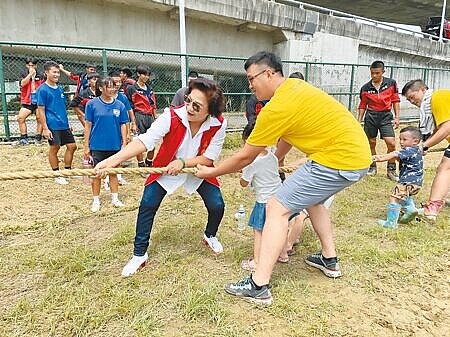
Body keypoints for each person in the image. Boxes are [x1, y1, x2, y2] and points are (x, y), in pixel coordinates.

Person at [195, 51, 371, 305]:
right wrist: (276, 158)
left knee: (276, 207)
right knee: (313, 200)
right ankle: (329, 260)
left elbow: (245, 158)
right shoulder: (295, 87)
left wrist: (211, 171)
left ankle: (259, 284)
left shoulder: (276, 108)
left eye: (251, 78)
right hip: (356, 157)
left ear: (268, 73)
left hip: (337, 160)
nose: (250, 85)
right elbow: (290, 132)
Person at [95, 77, 227, 277]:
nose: (189, 107)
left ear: (210, 111)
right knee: (147, 204)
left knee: (217, 204)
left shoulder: (219, 123)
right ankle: (139, 254)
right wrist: (113, 160)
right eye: (188, 100)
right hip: (166, 168)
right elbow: (145, 140)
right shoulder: (171, 116)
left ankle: (209, 235)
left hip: (195, 169)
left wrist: (183, 163)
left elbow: (210, 158)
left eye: (197, 106)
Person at [401, 79, 450, 221]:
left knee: (445, 168)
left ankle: (432, 209)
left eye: (412, 96)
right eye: (408, 100)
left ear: (423, 89)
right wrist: (425, 144)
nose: (411, 101)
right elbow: (438, 130)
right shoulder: (434, 106)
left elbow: (446, 128)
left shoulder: (438, 97)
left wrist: (424, 145)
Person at [238, 125, 282, 272]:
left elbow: (244, 183)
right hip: (280, 199)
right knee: (278, 228)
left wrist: (243, 173)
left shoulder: (252, 163)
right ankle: (282, 254)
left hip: (264, 202)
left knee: (259, 231)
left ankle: (256, 262)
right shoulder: (272, 156)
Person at [84, 77, 129, 212]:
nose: (112, 89)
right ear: (101, 88)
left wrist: (124, 143)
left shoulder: (119, 105)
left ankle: (115, 198)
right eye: (109, 86)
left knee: (113, 172)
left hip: (114, 145)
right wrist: (86, 145)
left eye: (113, 86)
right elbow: (88, 125)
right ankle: (96, 199)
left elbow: (123, 124)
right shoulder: (91, 104)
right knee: (97, 174)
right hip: (97, 145)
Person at [372, 126, 424, 228]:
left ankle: (391, 223)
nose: (401, 142)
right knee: (405, 196)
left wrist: (379, 158)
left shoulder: (408, 150)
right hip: (417, 183)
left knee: (394, 198)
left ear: (415, 141)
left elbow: (394, 153)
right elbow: (400, 159)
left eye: (404, 139)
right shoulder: (417, 150)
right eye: (400, 139)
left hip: (406, 181)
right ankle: (411, 210)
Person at [358, 60, 400, 181]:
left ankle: (391, 169)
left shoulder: (391, 84)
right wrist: (359, 121)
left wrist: (397, 117)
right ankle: (372, 166)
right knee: (371, 143)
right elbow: (362, 105)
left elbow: (395, 100)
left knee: (391, 143)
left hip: (386, 116)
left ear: (383, 72)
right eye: (372, 73)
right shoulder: (365, 88)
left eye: (377, 73)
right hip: (371, 116)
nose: (374, 76)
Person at [36, 61, 77, 185]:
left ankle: (67, 172)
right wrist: (45, 128)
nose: (57, 74)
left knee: (72, 146)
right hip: (52, 124)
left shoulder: (59, 88)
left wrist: (67, 122)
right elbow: (41, 111)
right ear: (46, 73)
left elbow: (61, 108)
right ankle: (56, 174)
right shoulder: (42, 90)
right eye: (54, 72)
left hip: (63, 123)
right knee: (55, 147)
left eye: (58, 72)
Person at [126, 65, 157, 170]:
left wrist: (155, 116)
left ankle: (149, 162)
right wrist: (133, 122)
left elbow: (153, 104)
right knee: (139, 141)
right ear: (138, 74)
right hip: (139, 116)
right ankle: (141, 165)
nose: (146, 77)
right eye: (144, 74)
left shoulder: (149, 88)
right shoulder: (132, 88)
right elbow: (129, 106)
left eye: (148, 75)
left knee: (153, 141)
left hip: (150, 117)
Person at [14, 57, 45, 146]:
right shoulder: (24, 74)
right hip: (28, 100)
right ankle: (24, 138)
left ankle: (38, 138)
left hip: (39, 100)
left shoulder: (41, 75)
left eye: (33, 65)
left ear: (36, 65)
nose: (31, 67)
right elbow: (22, 84)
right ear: (26, 65)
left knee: (40, 118)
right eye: (29, 65)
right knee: (21, 118)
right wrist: (30, 75)